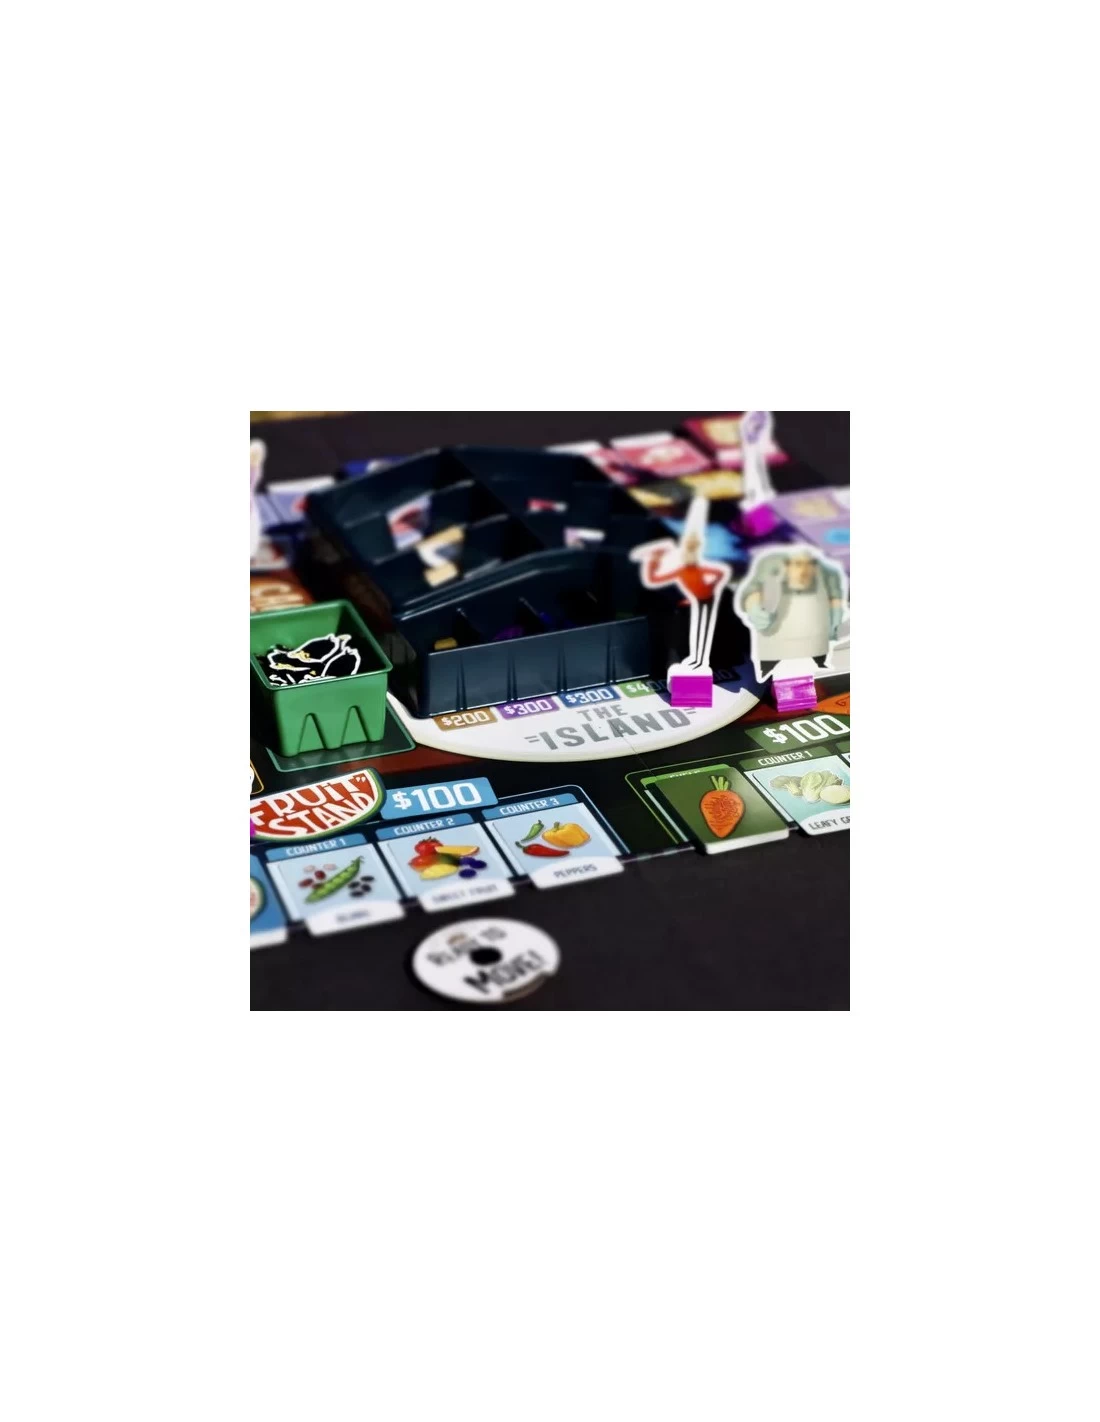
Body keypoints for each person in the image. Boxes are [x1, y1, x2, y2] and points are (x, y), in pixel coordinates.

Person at [631, 497, 730, 672]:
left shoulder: (704, 564)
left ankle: (699, 662)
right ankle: (695, 663)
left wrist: (712, 585)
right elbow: (655, 579)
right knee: (691, 632)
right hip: (685, 602)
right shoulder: (681, 568)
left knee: (703, 630)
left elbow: (720, 572)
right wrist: (653, 560)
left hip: (705, 599)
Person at [735, 547, 846, 678]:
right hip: (775, 634)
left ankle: (820, 664)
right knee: (770, 667)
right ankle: (766, 671)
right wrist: (753, 606)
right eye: (798, 564)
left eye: (810, 564)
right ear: (787, 565)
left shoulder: (829, 572)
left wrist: (835, 620)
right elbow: (753, 590)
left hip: (815, 635)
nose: (804, 570)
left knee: (818, 662)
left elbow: (835, 597)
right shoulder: (770, 567)